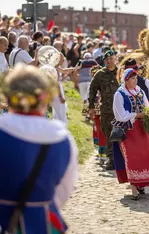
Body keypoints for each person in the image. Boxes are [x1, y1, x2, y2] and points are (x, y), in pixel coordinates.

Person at [0, 65, 78, 233]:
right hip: (43, 222)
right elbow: (64, 191)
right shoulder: (61, 136)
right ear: (45, 97)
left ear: (9, 95)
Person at [112, 68, 149, 200]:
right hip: (129, 131)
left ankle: (141, 183)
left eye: (136, 78)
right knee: (132, 157)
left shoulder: (140, 91)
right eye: (132, 78)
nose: (135, 81)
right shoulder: (120, 94)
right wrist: (137, 115)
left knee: (147, 154)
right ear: (126, 80)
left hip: (143, 129)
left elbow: (147, 106)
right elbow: (120, 115)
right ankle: (134, 187)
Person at [88, 50, 119, 170]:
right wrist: (91, 106)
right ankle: (111, 160)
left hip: (121, 110)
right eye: (107, 59)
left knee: (123, 134)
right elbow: (92, 89)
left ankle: (122, 160)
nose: (109, 61)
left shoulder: (121, 72)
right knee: (109, 134)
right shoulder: (100, 74)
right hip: (106, 110)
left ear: (115, 59)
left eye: (111, 58)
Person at [76, 53, 98, 119]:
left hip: (81, 81)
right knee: (91, 98)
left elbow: (75, 70)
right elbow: (98, 69)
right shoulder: (93, 61)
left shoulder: (80, 62)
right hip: (90, 81)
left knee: (85, 99)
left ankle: (86, 115)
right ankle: (93, 115)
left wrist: (78, 78)